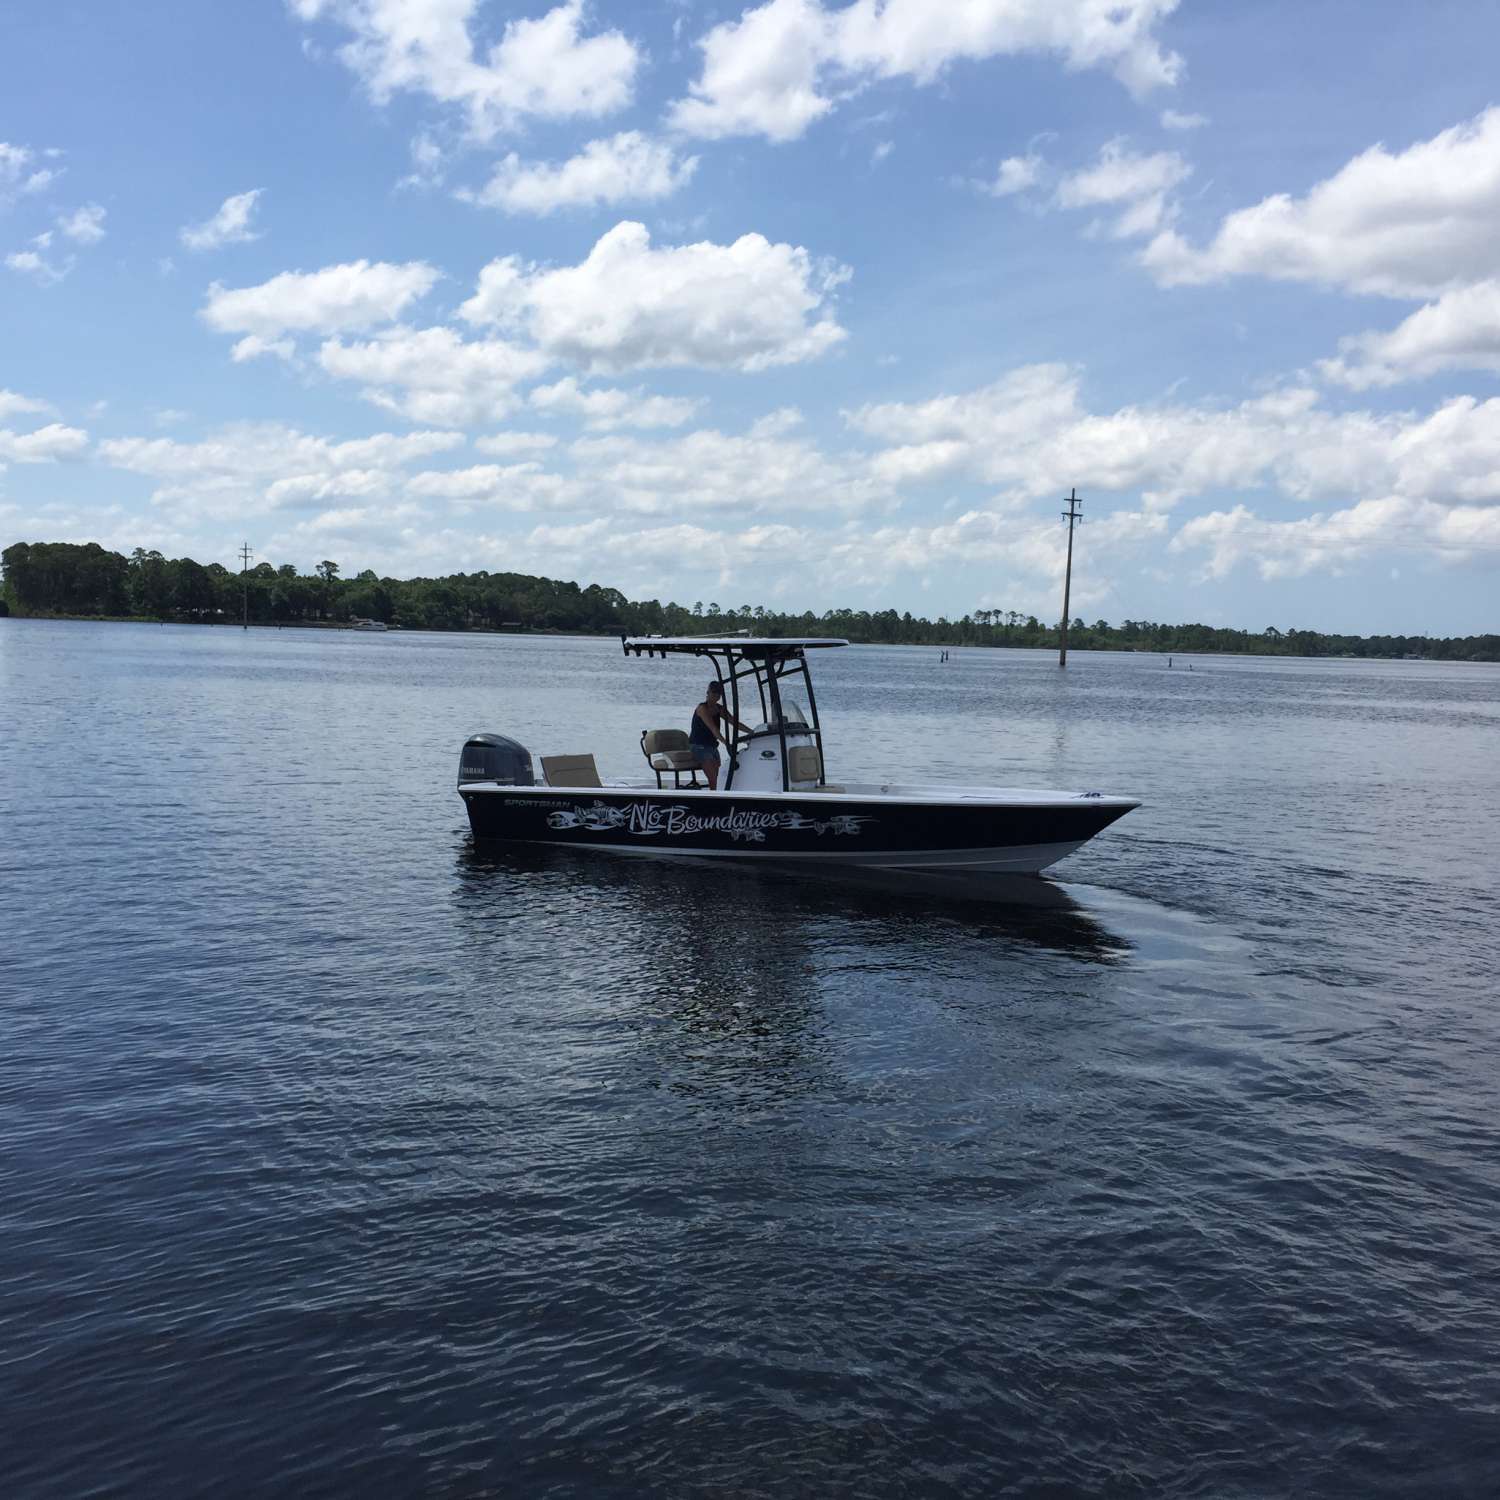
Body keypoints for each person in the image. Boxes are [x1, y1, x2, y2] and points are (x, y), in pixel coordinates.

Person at [689, 680, 750, 791]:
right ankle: (714, 800)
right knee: (713, 777)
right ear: (708, 692)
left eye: (718, 693)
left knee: (716, 777)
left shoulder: (719, 709)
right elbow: (713, 728)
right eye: (713, 692)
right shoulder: (702, 708)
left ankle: (714, 795)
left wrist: (751, 732)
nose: (715, 696)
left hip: (712, 747)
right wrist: (725, 742)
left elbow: (734, 723)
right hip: (699, 746)